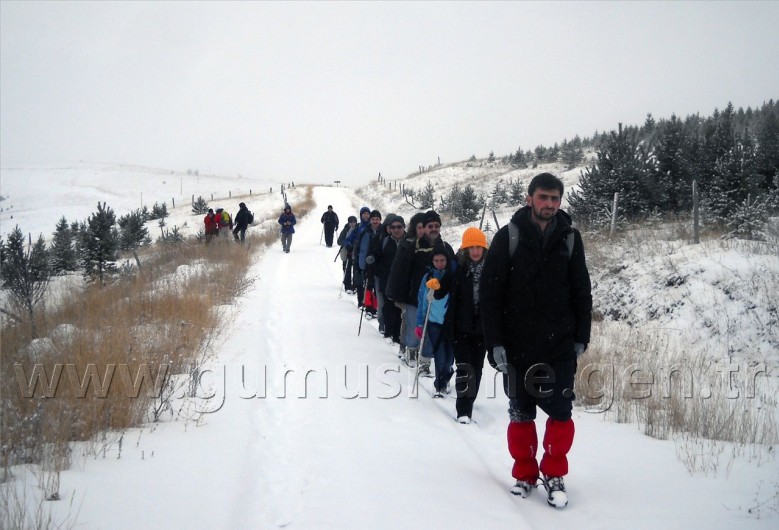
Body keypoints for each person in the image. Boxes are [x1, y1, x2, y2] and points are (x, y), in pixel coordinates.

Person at [479, 172, 592, 509]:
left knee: (561, 413)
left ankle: (554, 473)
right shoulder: (508, 236)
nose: (549, 204)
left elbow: (581, 291)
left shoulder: (570, 238)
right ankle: (525, 474)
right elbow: (490, 295)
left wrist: (581, 336)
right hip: (517, 344)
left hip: (559, 344)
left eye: (555, 198)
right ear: (529, 198)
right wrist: (494, 342)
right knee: (521, 413)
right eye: (543, 197)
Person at [385, 210, 455, 370]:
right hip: (413, 295)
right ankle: (410, 350)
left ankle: (425, 362)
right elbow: (400, 271)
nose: (433, 229)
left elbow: (453, 271)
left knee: (431, 332)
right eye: (430, 226)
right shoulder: (412, 247)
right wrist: (395, 292)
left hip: (438, 300)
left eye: (437, 226)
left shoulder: (445, 247)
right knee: (413, 327)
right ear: (424, 227)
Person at [432, 227, 489, 424]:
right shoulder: (457, 268)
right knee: (465, 367)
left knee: (478, 368)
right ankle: (463, 410)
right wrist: (435, 285)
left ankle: (469, 401)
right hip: (460, 329)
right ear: (465, 249)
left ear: (484, 248)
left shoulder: (492, 270)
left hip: (482, 330)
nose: (475, 251)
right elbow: (441, 291)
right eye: (471, 247)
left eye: (478, 247)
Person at [416, 249, 454, 398]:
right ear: (432, 262)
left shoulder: (452, 276)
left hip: (451, 322)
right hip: (433, 322)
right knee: (439, 354)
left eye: (442, 260)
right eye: (436, 261)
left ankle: (447, 373)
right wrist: (420, 323)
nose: (439, 264)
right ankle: (440, 384)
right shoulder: (428, 277)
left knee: (450, 355)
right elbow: (422, 301)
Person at [372, 214, 405, 344]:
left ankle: (399, 338)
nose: (396, 229)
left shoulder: (409, 243)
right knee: (388, 308)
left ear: (403, 227)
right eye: (393, 227)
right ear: (389, 229)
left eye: (399, 227)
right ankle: (389, 334)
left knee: (401, 312)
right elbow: (376, 258)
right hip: (387, 283)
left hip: (404, 284)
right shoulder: (385, 242)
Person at [344, 207, 372, 308]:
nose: (366, 215)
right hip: (357, 257)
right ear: (361, 215)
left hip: (369, 257)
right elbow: (348, 239)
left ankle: (369, 303)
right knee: (359, 280)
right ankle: (361, 301)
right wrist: (349, 246)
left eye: (367, 214)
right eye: (364, 214)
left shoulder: (372, 227)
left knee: (369, 282)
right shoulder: (357, 227)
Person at [358, 210, 382, 318]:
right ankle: (368, 308)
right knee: (368, 286)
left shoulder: (383, 231)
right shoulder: (366, 231)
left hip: (379, 264)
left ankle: (375, 308)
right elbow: (359, 247)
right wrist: (360, 263)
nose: (375, 221)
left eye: (377, 219)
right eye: (373, 219)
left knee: (377, 288)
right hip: (367, 264)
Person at [338, 216, 358, 293]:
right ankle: (347, 285)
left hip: (354, 252)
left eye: (354, 222)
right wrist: (346, 243)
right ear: (348, 222)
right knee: (346, 268)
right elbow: (339, 241)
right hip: (346, 252)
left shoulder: (357, 230)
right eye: (351, 222)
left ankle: (354, 285)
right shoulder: (345, 230)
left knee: (355, 269)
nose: (353, 224)